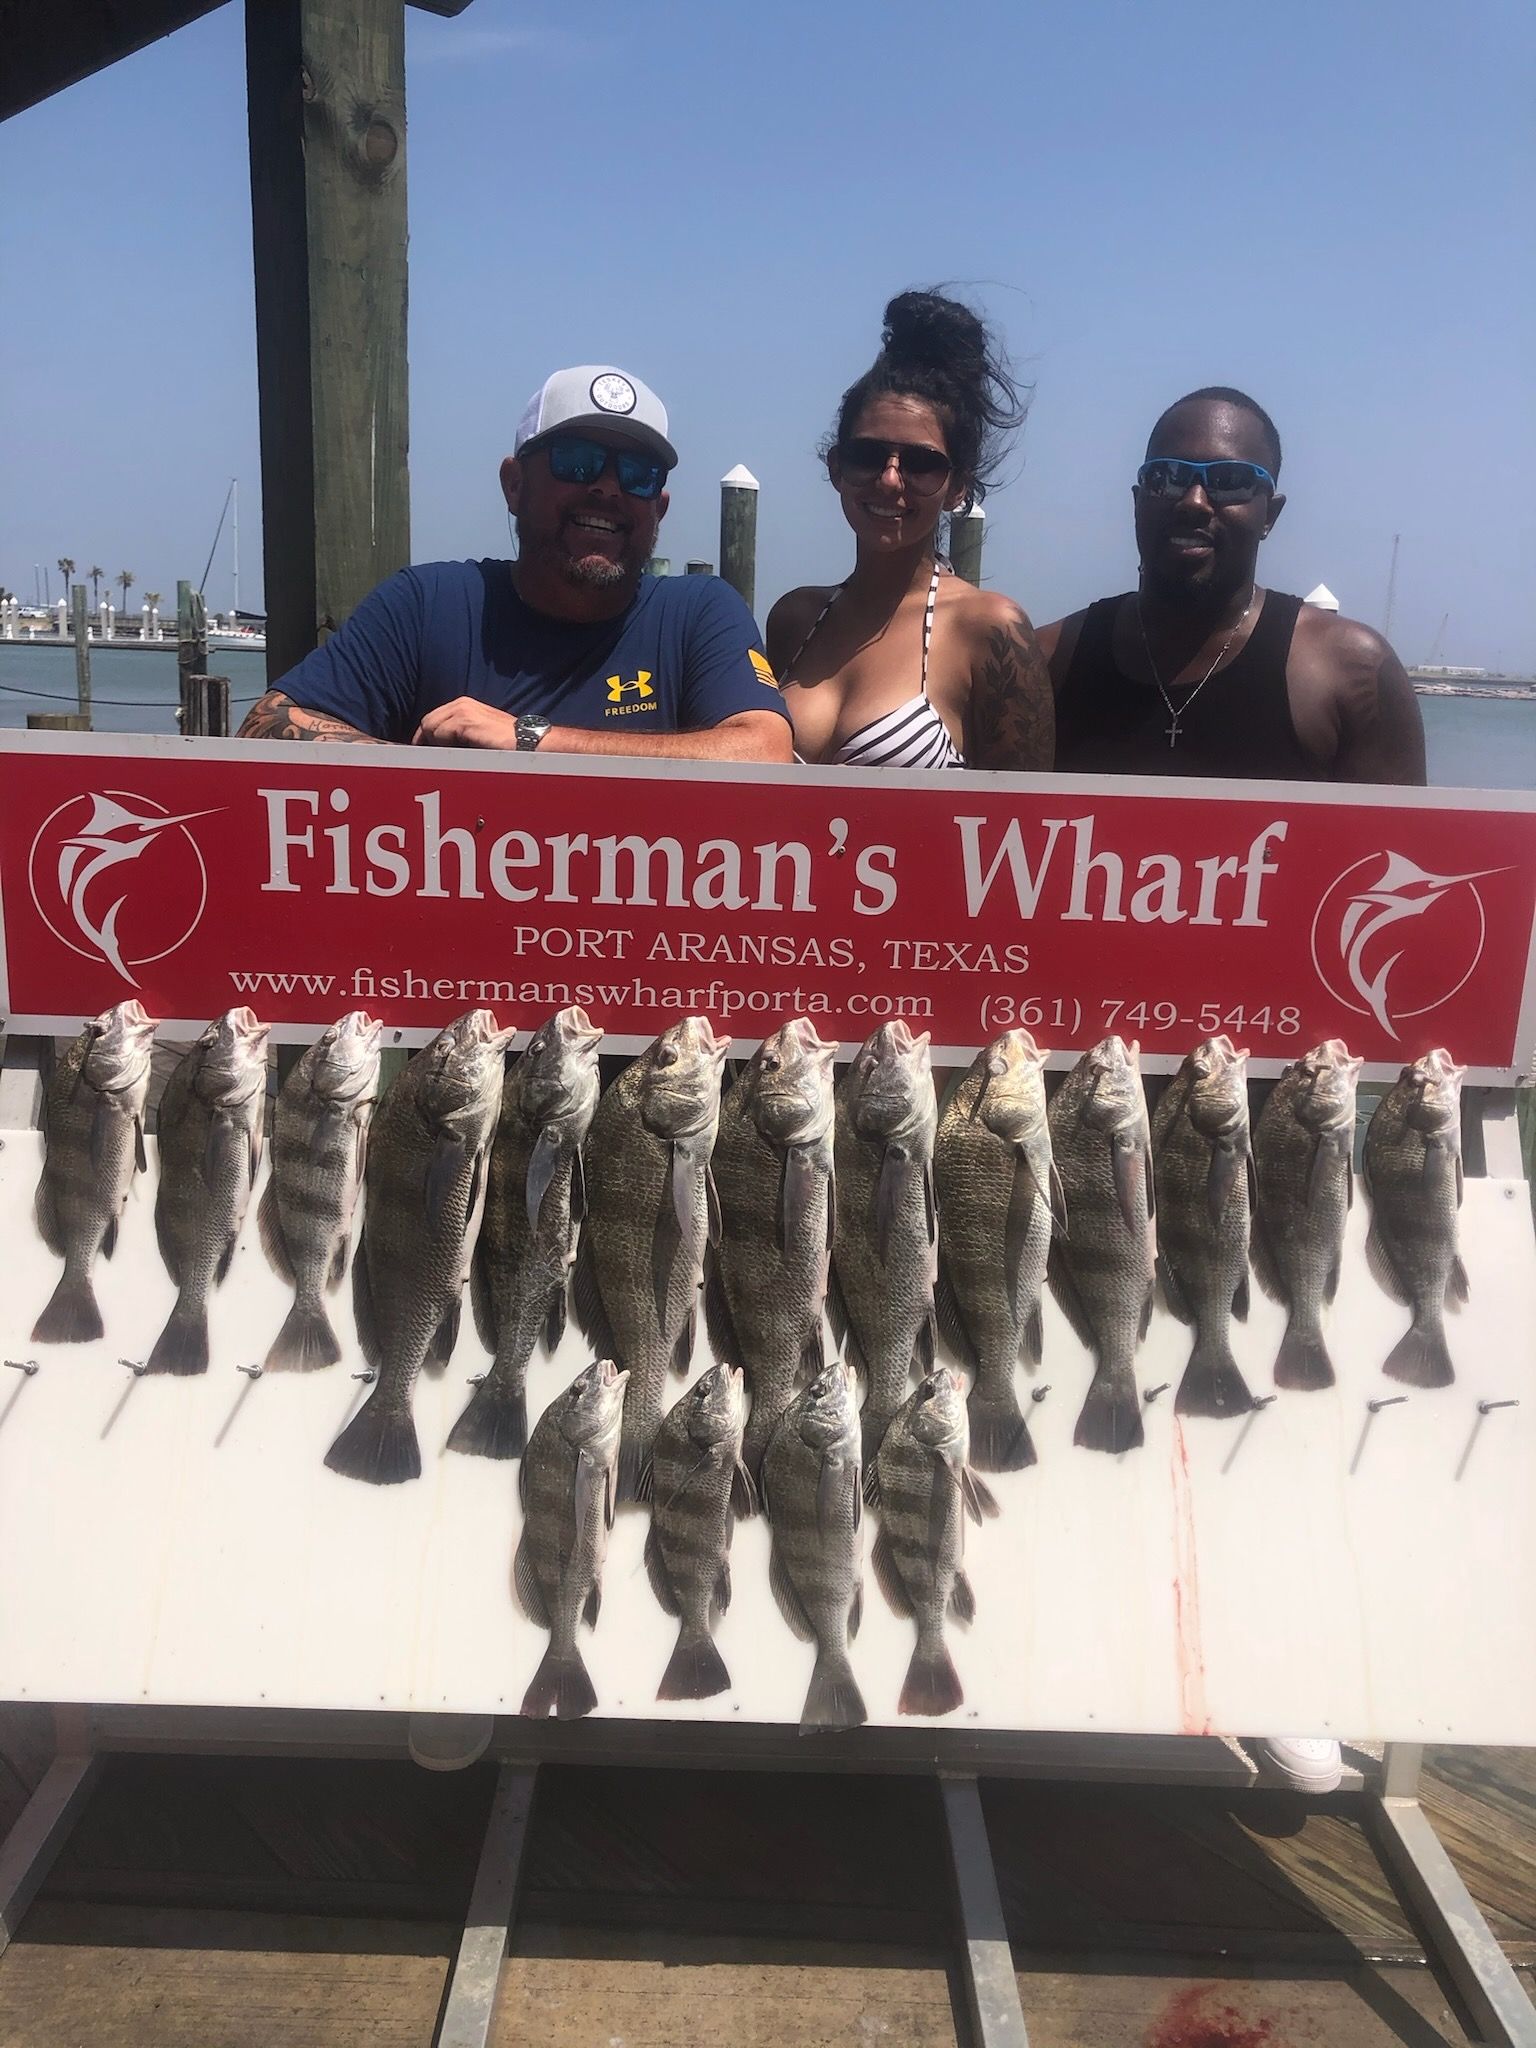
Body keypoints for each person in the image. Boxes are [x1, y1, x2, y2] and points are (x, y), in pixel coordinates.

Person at [238, 364, 792, 762]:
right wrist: (430, 766)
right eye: (577, 461)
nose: (606, 487)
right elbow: (265, 728)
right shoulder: (429, 605)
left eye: (638, 474)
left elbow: (764, 750)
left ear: (659, 509)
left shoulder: (698, 612)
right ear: (514, 484)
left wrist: (529, 739)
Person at [1038, 386, 1426, 784]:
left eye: (1229, 480)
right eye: (1167, 477)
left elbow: (1403, 845)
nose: (1193, 501)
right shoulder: (1046, 662)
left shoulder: (1349, 672)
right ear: (1138, 501)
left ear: (1270, 515)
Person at [765, 291, 1054, 771]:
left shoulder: (991, 630)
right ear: (837, 467)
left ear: (957, 485)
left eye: (920, 463)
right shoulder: (794, 619)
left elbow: (1022, 833)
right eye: (868, 455)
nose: (890, 479)